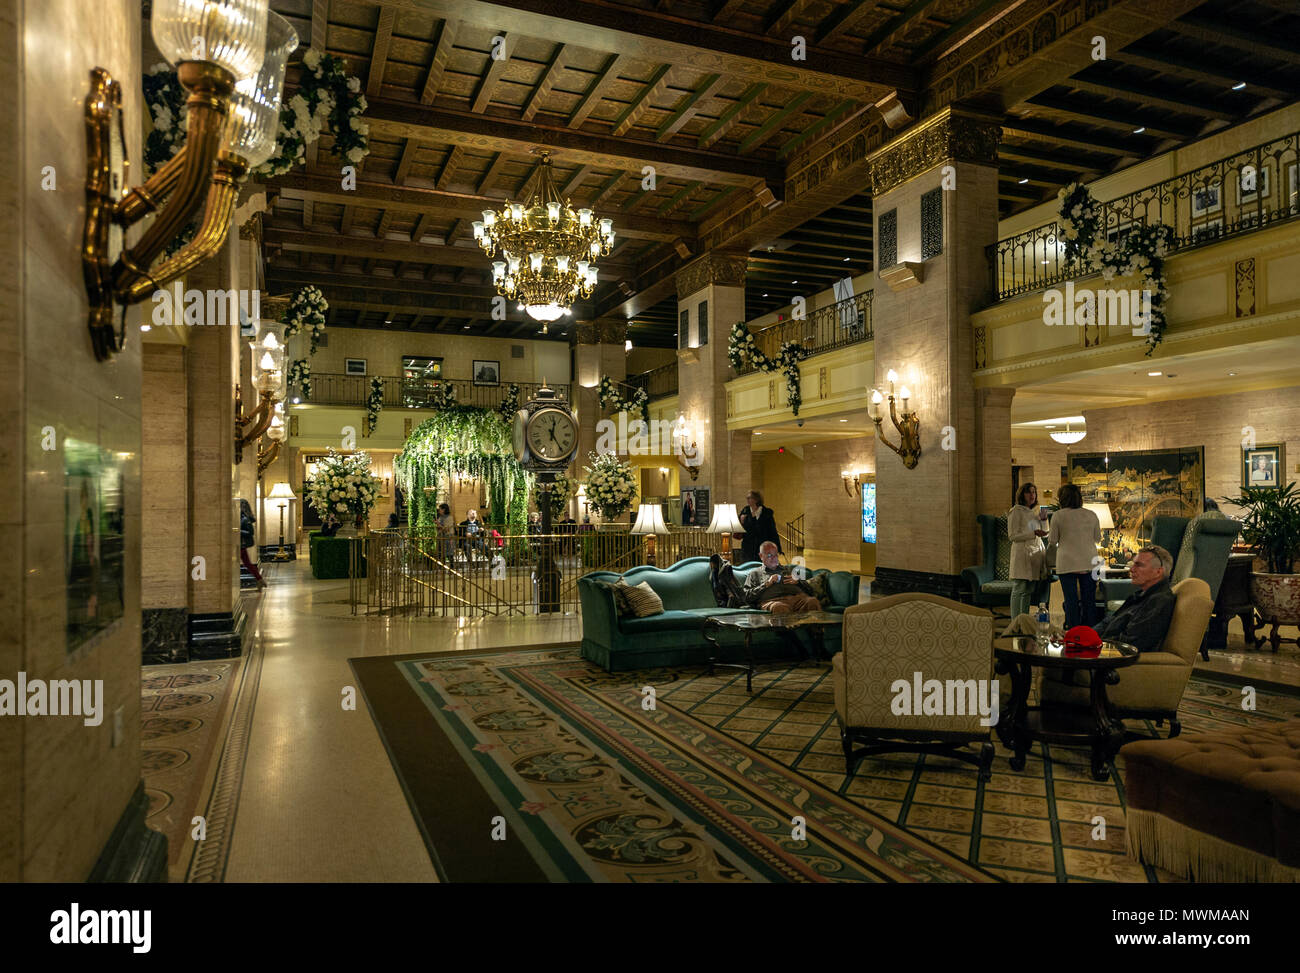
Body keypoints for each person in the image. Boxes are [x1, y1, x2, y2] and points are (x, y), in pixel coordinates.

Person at [1093, 545, 1177, 653]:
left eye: (1139, 565)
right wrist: (1082, 635)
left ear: (1158, 572)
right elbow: (1108, 622)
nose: (1132, 569)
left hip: (1110, 659)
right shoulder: (1140, 596)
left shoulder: (1159, 602)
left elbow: (1131, 644)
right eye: (1133, 564)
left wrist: (1092, 644)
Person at [1050, 484, 1102, 629]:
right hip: (1090, 561)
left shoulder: (1058, 515)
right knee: (1089, 601)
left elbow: (1053, 540)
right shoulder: (1091, 514)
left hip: (1067, 562)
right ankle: (1090, 632)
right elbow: (1097, 538)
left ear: (1062, 498)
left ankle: (1074, 633)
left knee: (1071, 600)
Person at [1008, 482, 1050, 619]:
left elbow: (1046, 532)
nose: (1032, 495)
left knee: (1028, 590)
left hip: (1034, 554)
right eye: (1028, 492)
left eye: (1034, 492)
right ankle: (1015, 621)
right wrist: (1033, 533)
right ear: (1022, 494)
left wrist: (1044, 521)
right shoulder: (1016, 511)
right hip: (1021, 553)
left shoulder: (1033, 512)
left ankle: (1024, 620)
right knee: (1019, 588)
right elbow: (1012, 536)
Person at [741, 541, 820, 614]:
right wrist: (766, 584)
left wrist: (798, 582)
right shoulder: (755, 573)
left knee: (812, 601)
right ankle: (790, 629)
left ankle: (814, 629)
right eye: (769, 555)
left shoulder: (789, 570)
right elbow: (746, 597)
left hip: (797, 599)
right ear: (761, 556)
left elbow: (810, 590)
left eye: (775, 555)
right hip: (772, 601)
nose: (773, 558)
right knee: (780, 608)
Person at [738, 490, 781, 564]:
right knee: (748, 567)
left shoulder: (766, 512)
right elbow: (740, 529)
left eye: (749, 498)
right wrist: (741, 521)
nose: (747, 500)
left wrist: (778, 547)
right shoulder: (745, 511)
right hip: (748, 547)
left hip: (762, 546)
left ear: (756, 499)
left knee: (763, 567)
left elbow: (772, 531)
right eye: (747, 498)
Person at [238, 498, 265, 590]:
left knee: (247, 564)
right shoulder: (241, 517)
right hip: (240, 545)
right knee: (248, 564)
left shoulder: (245, 519)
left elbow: (251, 532)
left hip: (241, 545)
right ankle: (259, 580)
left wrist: (238, 531)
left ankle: (260, 580)